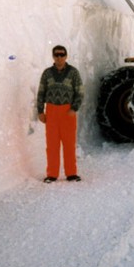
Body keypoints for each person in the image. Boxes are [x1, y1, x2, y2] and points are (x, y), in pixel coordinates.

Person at [37, 45, 84, 183]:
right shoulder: (47, 73)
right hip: (51, 112)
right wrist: (40, 111)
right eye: (56, 55)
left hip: (67, 112)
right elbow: (41, 93)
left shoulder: (73, 73)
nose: (59, 57)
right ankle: (52, 174)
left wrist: (74, 108)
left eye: (62, 55)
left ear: (66, 56)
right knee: (52, 145)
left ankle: (71, 173)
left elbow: (80, 92)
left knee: (69, 144)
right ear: (53, 56)